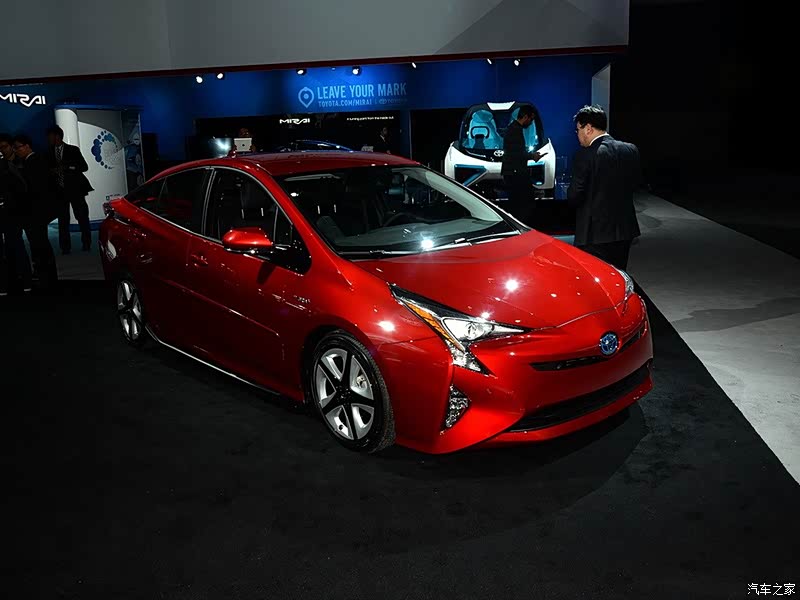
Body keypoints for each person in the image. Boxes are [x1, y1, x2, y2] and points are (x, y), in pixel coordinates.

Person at [567, 105, 641, 270]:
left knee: (596, 278)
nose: (577, 134)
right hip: (625, 230)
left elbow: (574, 196)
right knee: (619, 275)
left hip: (594, 234)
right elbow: (635, 184)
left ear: (588, 128)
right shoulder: (630, 150)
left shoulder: (584, 155)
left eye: (578, 130)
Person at [12, 134, 58, 290]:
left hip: (35, 212)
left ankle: (46, 276)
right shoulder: (31, 161)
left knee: (40, 244)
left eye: (17, 147)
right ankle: (45, 275)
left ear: (27, 146)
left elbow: (35, 189)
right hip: (36, 211)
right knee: (40, 244)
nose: (16, 151)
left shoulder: (34, 162)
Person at [47, 125, 93, 253]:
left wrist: (67, 167)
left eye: (50, 136)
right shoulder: (47, 152)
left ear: (57, 136)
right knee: (63, 220)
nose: (48, 139)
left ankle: (87, 243)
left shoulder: (73, 150)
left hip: (75, 189)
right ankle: (65, 247)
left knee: (82, 217)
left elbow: (84, 167)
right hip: (59, 191)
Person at [501, 105, 546, 225]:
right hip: (516, 174)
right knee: (523, 203)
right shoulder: (515, 130)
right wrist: (533, 156)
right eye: (531, 119)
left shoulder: (513, 128)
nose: (531, 123)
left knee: (519, 203)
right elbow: (517, 153)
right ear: (525, 117)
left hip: (514, 172)